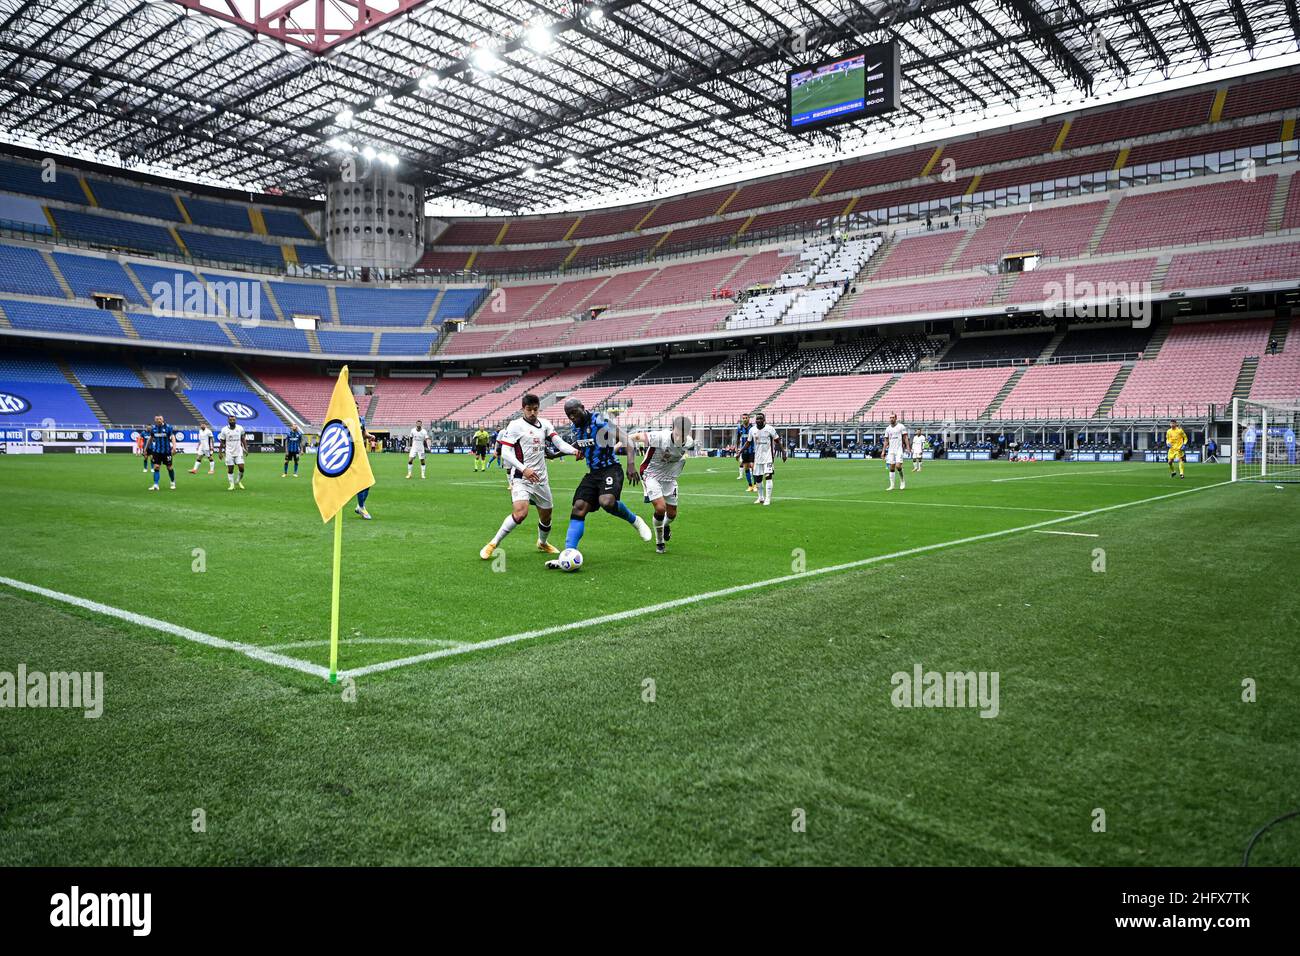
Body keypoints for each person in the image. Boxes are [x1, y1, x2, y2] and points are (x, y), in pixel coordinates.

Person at [545, 398, 652, 568]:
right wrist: (554, 454)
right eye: (568, 415)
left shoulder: (600, 421)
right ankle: (567, 554)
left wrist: (631, 465)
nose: (572, 417)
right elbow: (578, 444)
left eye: (574, 412)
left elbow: (628, 440)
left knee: (607, 502)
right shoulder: (576, 427)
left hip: (611, 468)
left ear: (583, 407)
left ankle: (636, 521)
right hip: (594, 473)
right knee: (578, 507)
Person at [480, 394, 580, 560]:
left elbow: (559, 443)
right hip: (521, 477)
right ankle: (493, 543)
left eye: (535, 409)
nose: (532, 413)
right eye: (529, 409)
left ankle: (542, 543)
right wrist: (524, 469)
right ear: (522, 409)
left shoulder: (545, 424)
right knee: (520, 513)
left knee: (546, 515)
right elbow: (506, 453)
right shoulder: (515, 426)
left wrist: (574, 450)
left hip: (541, 478)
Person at [631, 415, 691, 554]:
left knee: (672, 515)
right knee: (660, 508)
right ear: (672, 429)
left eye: (681, 435)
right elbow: (636, 436)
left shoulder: (689, 442)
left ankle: (664, 526)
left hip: (669, 478)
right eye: (675, 433)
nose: (677, 437)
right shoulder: (660, 437)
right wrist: (617, 444)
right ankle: (660, 542)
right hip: (651, 474)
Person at [747, 412, 785, 506]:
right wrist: (739, 452)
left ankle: (768, 499)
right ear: (755, 420)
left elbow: (777, 440)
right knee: (758, 479)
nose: (759, 420)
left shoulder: (770, 429)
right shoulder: (752, 430)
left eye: (761, 419)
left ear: (764, 420)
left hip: (768, 457)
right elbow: (748, 442)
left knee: (768, 476)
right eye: (757, 419)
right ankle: (760, 498)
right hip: (758, 458)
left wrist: (783, 452)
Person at [145, 415, 178, 491]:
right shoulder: (153, 429)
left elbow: (172, 437)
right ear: (155, 420)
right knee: (156, 467)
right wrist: (145, 448)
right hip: (157, 451)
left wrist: (174, 447)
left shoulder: (168, 427)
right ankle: (156, 485)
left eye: (160, 419)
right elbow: (150, 439)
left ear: (163, 419)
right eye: (157, 419)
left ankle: (172, 482)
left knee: (169, 467)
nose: (158, 420)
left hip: (167, 452)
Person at [217, 414, 247, 490]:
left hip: (239, 451)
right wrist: (220, 452)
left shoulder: (240, 428)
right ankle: (232, 484)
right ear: (228, 420)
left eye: (234, 420)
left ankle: (238, 481)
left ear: (236, 420)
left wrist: (246, 448)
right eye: (231, 420)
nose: (232, 421)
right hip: (229, 452)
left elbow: (243, 439)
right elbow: (222, 442)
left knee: (241, 468)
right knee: (230, 469)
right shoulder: (224, 430)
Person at [883, 413, 909, 490]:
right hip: (891, 450)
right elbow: (886, 440)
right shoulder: (888, 428)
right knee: (891, 467)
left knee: (898, 466)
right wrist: (883, 451)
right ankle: (892, 485)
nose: (891, 419)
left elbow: (905, 437)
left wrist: (908, 447)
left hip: (899, 449)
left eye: (893, 417)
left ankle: (902, 481)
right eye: (890, 418)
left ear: (896, 418)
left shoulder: (901, 426)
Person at [355, 416, 374, 518]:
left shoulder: (361, 420)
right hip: (349, 455)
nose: (356, 409)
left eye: (358, 408)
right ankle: (361, 507)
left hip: (360, 453)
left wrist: (369, 436)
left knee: (368, 481)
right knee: (361, 481)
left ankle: (360, 506)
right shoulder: (346, 419)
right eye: (354, 407)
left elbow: (363, 433)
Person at [735, 412, 755, 491]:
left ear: (749, 419)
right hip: (744, 451)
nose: (745, 419)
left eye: (746, 418)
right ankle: (750, 486)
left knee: (753, 467)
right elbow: (737, 439)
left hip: (752, 450)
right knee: (746, 467)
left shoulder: (753, 428)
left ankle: (756, 485)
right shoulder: (739, 428)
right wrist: (737, 450)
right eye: (743, 418)